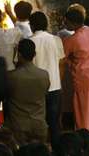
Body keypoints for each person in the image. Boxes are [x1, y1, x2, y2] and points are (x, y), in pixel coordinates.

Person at [63, 8, 89, 151]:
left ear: (71, 23)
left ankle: (84, 149)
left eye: (65, 22)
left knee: (83, 121)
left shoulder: (71, 40)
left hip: (83, 83)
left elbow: (62, 59)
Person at [29, 11, 65, 151]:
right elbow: (62, 63)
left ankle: (38, 151)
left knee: (37, 124)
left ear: (31, 25)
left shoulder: (29, 41)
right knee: (54, 124)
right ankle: (57, 151)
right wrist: (58, 81)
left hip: (36, 90)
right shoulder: (56, 40)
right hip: (55, 88)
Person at [5, 39, 50, 145]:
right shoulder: (44, 75)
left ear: (18, 55)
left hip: (18, 126)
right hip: (39, 124)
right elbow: (45, 93)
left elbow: (5, 95)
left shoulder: (11, 76)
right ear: (34, 54)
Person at [0, 7, 21, 72]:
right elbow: (21, 28)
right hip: (10, 73)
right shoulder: (10, 33)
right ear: (1, 19)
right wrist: (10, 13)